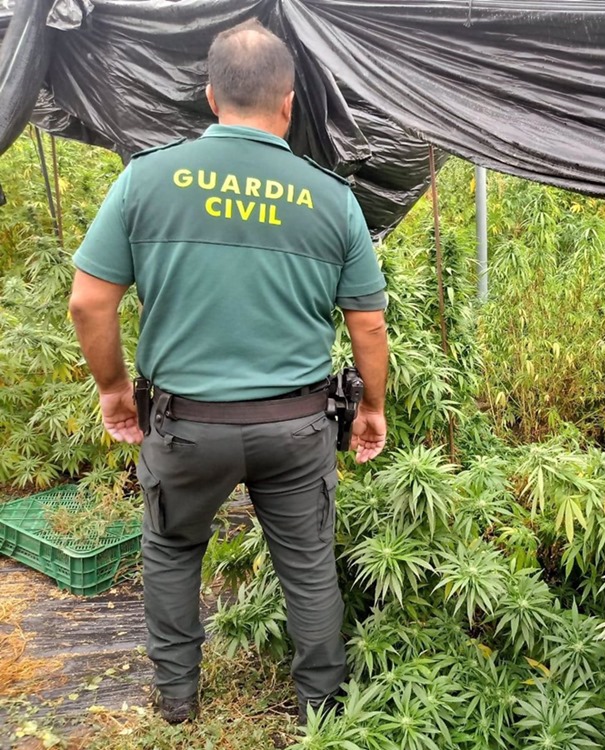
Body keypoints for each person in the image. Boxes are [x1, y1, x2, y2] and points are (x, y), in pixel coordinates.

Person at [68, 19, 388, 725]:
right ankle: (322, 712)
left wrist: (115, 391)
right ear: (289, 102)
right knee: (307, 567)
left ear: (211, 96)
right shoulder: (330, 196)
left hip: (187, 428)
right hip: (297, 427)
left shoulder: (145, 180)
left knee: (174, 549)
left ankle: (178, 699)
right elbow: (367, 322)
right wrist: (370, 407)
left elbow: (90, 301)